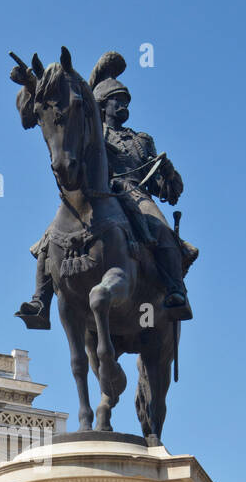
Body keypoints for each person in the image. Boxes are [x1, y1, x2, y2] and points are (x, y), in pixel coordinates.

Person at [16, 52, 197, 331]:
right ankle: (41, 299)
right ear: (102, 105)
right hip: (98, 192)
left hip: (136, 194)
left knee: (160, 228)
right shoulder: (93, 131)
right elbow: (57, 114)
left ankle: (175, 291)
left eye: (126, 100)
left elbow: (169, 190)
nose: (123, 105)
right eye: (118, 100)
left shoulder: (141, 139)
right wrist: (32, 85)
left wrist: (169, 173)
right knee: (50, 237)